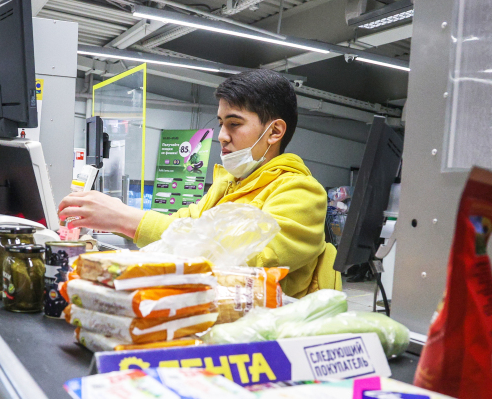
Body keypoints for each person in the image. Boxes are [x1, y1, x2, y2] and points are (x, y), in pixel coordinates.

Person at [58, 70, 340, 297]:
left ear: (274, 131)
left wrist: (125, 218)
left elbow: (241, 260)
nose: (221, 136)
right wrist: (118, 221)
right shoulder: (226, 186)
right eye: (220, 123)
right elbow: (180, 228)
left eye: (234, 124)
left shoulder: (301, 193)